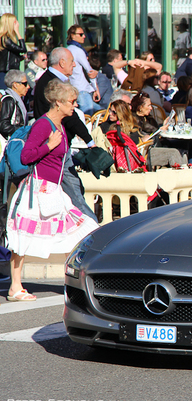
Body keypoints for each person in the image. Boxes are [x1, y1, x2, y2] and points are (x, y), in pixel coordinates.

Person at [6, 79, 99, 302]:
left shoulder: (59, 126)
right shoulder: (43, 125)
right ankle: (15, 287)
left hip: (54, 190)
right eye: (71, 101)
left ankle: (73, 284)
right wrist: (48, 145)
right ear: (57, 102)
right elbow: (26, 157)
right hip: (37, 190)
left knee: (81, 232)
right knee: (22, 238)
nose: (74, 105)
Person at [33, 47, 98, 223]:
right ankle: (94, 229)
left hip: (57, 145)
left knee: (74, 190)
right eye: (71, 61)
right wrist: (89, 141)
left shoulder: (47, 81)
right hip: (56, 147)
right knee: (75, 192)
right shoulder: (52, 84)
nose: (74, 64)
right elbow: (70, 118)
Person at [66, 25, 101, 115]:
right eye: (81, 34)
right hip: (82, 90)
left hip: (74, 89)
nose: (84, 36)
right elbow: (90, 71)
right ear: (73, 35)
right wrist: (95, 89)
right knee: (88, 118)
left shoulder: (67, 50)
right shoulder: (78, 51)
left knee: (100, 111)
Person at [0, 70, 29, 140]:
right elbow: (4, 126)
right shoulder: (9, 100)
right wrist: (23, 130)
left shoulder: (18, 100)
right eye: (25, 84)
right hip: (10, 143)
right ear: (15, 85)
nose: (28, 86)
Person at [0, 13, 27, 90]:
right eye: (16, 22)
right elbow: (23, 49)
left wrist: (20, 58)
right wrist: (18, 33)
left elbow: (7, 56)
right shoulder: (6, 39)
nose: (18, 24)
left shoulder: (5, 39)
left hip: (8, 72)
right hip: (6, 73)